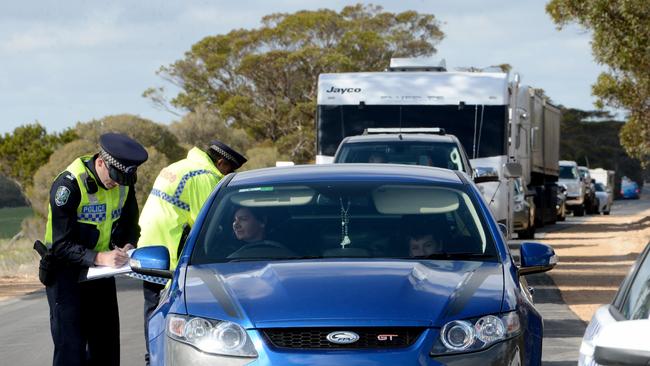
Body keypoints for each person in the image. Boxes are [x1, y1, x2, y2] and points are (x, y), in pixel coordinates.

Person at [42, 133, 148, 366]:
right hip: (65, 273)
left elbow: (131, 224)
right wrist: (100, 257)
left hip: (100, 273)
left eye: (122, 179)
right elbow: (60, 244)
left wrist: (129, 244)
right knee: (71, 349)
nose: (116, 184)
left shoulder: (123, 184)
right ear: (101, 161)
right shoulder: (68, 185)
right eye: (114, 177)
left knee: (106, 346)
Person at [137, 140, 246, 365]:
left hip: (151, 247)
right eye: (229, 170)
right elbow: (208, 224)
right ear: (221, 162)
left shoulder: (178, 167)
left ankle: (152, 357)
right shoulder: (205, 177)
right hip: (171, 252)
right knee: (174, 311)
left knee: (152, 309)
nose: (229, 175)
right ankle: (158, 358)